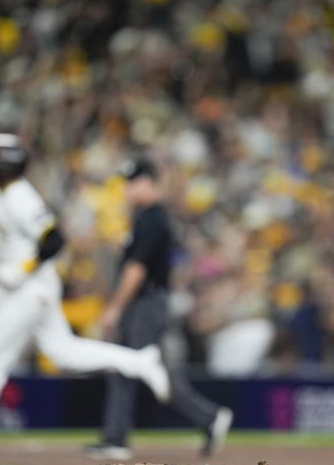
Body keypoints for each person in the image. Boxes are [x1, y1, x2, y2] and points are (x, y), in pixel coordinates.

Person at [0, 134, 171, 460]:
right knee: (64, 353)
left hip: (31, 289)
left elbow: (53, 240)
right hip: (33, 289)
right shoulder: (2, 194)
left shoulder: (20, 195)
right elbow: (11, 238)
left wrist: (22, 268)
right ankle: (139, 361)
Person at [84, 157, 233, 461]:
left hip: (146, 302)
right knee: (128, 368)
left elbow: (136, 271)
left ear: (148, 182)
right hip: (147, 301)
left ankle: (207, 417)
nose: (126, 189)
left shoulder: (152, 219)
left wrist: (114, 308)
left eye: (132, 182)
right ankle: (116, 438)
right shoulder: (146, 218)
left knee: (145, 368)